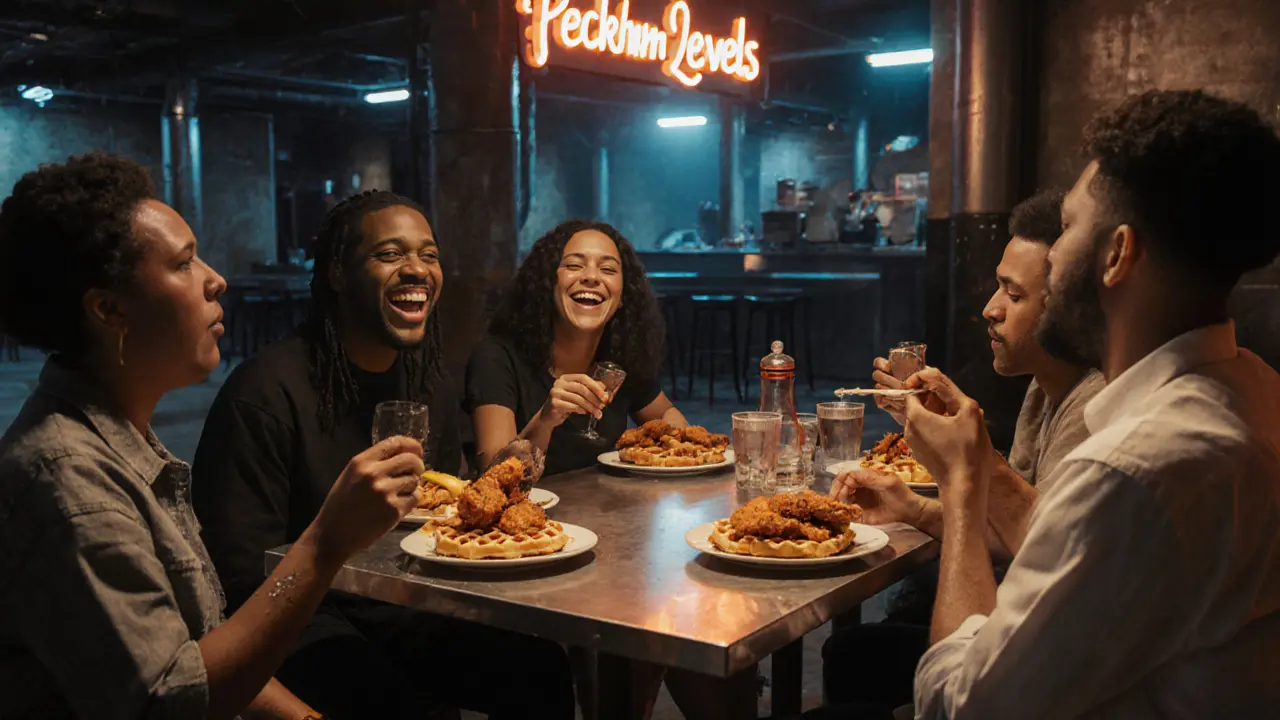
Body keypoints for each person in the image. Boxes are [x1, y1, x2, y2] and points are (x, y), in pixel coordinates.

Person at [0, 153, 427, 719]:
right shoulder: (67, 479)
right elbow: (171, 700)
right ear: (109, 310)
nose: (215, 279)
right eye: (183, 264)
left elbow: (202, 650)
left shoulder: (130, 447)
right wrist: (326, 542)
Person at [909, 89, 1280, 718]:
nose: (1052, 254)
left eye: (1071, 227)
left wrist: (966, 479)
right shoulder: (1258, 390)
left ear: (1116, 254)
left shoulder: (1130, 472)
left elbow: (962, 706)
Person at [192, 191, 575, 719]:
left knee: (539, 667)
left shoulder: (428, 381)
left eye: (430, 254)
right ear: (336, 273)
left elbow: (437, 512)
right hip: (300, 614)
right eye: (390, 254)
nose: (417, 268)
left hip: (402, 598)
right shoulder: (265, 394)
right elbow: (236, 577)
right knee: (398, 704)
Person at [818, 190, 1105, 718]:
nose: (988, 309)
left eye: (1013, 296)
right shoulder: (1045, 388)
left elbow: (1038, 551)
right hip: (1012, 651)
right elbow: (1010, 535)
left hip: (1025, 675)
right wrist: (913, 506)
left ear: (1071, 302)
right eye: (998, 285)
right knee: (849, 652)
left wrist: (964, 467)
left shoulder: (1097, 413)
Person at [466, 219, 688, 475]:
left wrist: (670, 440)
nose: (591, 277)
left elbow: (668, 414)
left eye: (607, 269)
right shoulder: (496, 359)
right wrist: (546, 419)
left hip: (603, 511)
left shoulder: (620, 359)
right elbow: (493, 476)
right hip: (525, 512)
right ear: (548, 283)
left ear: (622, 297)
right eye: (574, 265)